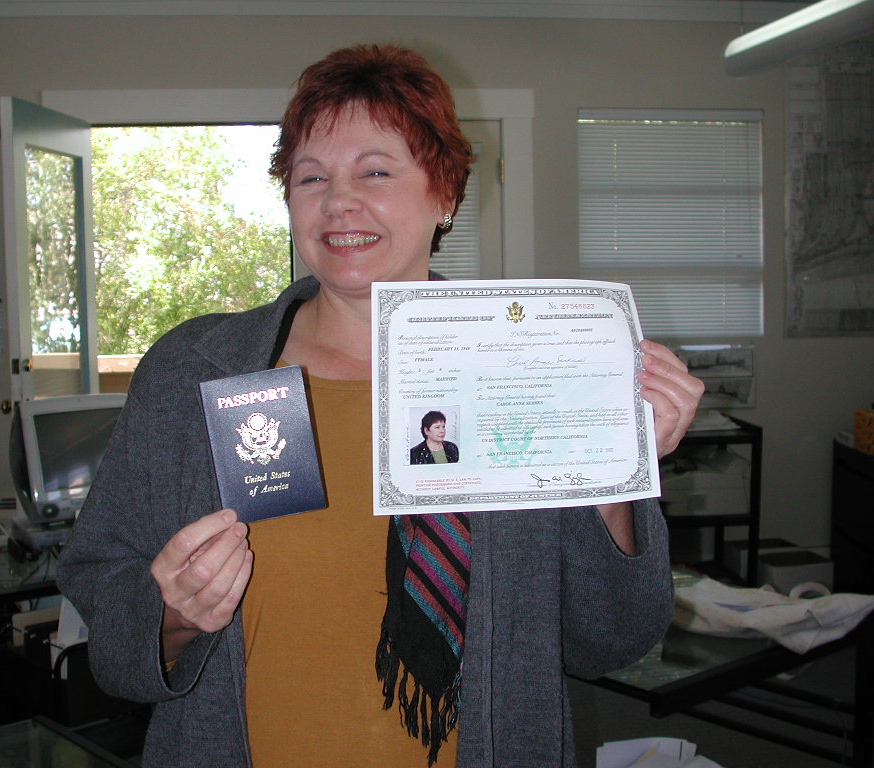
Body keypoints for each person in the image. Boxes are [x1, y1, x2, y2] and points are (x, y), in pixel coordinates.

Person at [57, 44, 704, 768]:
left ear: (446, 193)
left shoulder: (532, 371)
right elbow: (102, 602)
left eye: (375, 171)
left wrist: (615, 460)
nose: (339, 203)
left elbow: (612, 638)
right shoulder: (192, 372)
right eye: (311, 178)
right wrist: (172, 616)